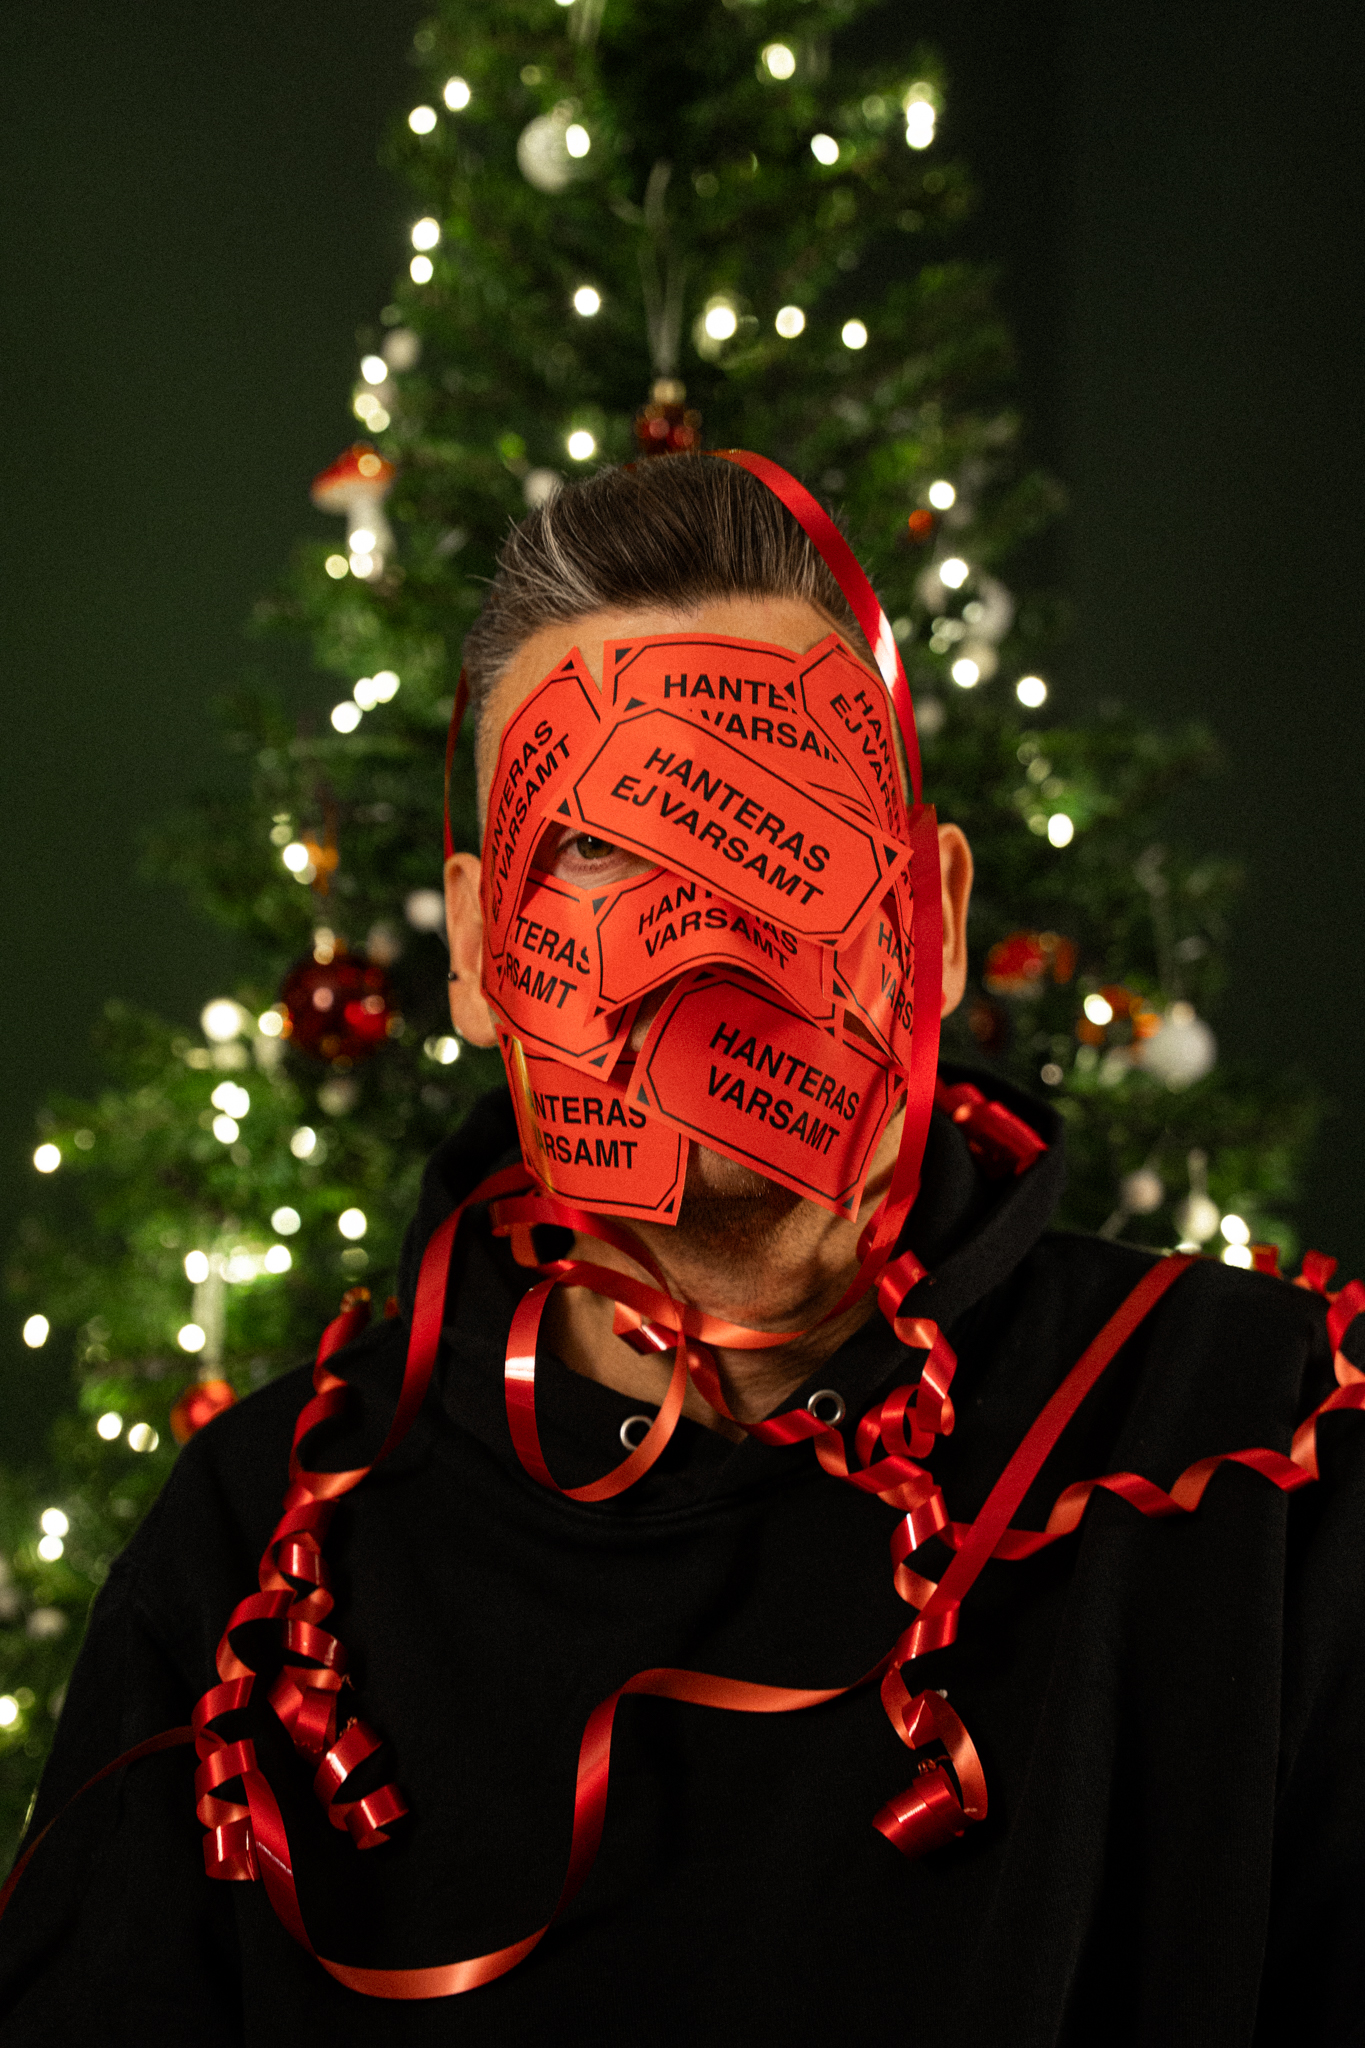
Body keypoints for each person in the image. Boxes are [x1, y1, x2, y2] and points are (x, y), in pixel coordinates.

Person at [0, 455, 1361, 2047]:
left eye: (783, 825)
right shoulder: (258, 1549)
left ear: (930, 916)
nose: (703, 933)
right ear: (474, 950)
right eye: (593, 844)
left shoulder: (1262, 1446)